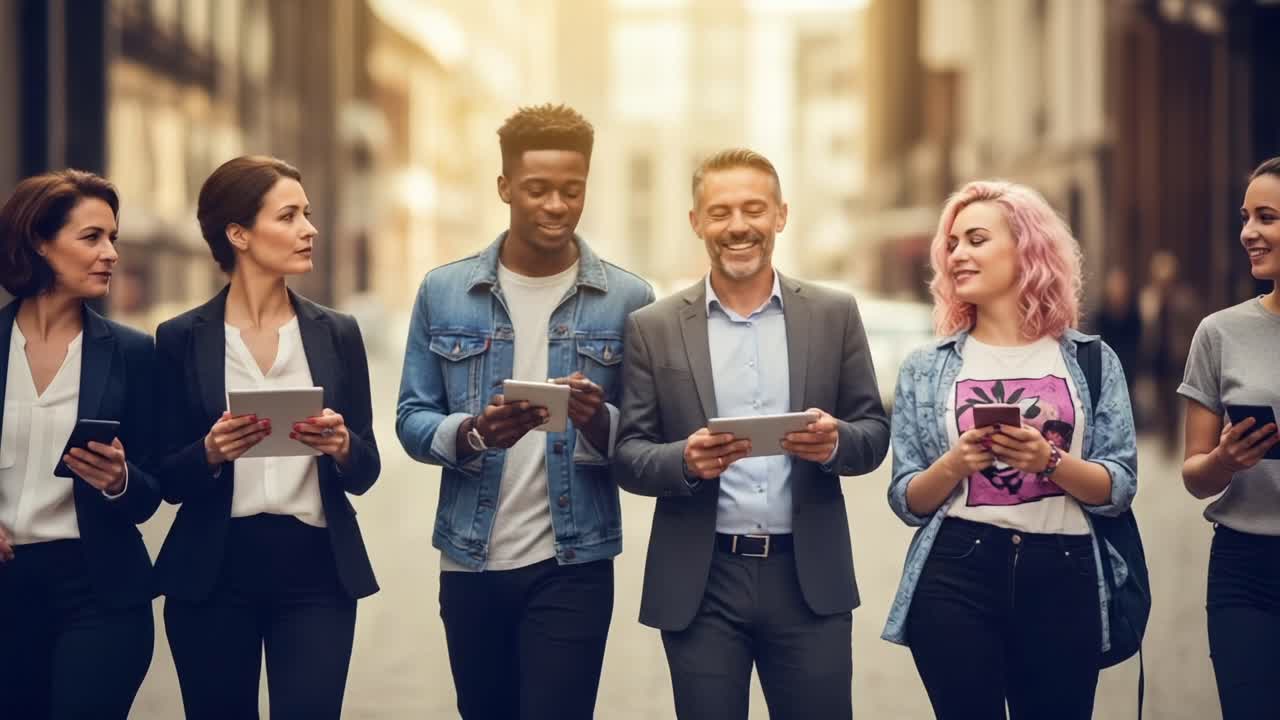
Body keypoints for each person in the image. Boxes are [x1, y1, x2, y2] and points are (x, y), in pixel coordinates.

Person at [395, 103, 653, 719]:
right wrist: (474, 432)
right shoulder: (443, 290)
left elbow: (646, 439)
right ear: (505, 186)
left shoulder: (629, 298)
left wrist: (596, 418)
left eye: (572, 190)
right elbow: (411, 417)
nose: (556, 206)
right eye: (538, 189)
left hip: (575, 563)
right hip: (470, 558)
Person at [613, 148, 890, 720]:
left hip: (808, 579)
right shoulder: (653, 326)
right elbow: (629, 455)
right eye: (720, 212)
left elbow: (874, 434)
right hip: (702, 584)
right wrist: (684, 461)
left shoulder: (834, 314)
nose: (737, 226)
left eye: (753, 209)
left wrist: (836, 442)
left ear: (781, 215)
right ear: (696, 222)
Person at [882, 180, 1139, 720]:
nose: (958, 254)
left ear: (1026, 250)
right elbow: (907, 499)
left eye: (977, 240)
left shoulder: (1091, 360)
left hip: (1064, 573)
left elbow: (1118, 487)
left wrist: (1049, 461)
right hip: (956, 571)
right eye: (952, 243)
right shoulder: (926, 368)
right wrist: (956, 463)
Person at [152, 156, 380, 719]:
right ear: (239, 234)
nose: (309, 229)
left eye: (307, 214)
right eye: (288, 216)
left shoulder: (338, 333)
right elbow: (164, 477)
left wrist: (343, 446)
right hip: (213, 572)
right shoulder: (180, 337)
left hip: (317, 572)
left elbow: (367, 469)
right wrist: (209, 452)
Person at [0, 170, 160, 719]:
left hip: (98, 592)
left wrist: (121, 480)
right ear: (39, 243)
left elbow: (154, 489)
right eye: (91, 237)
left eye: (112, 237)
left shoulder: (134, 353)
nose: (110, 253)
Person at [1179, 156, 1280, 720]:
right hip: (1246, 570)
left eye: (1267, 217)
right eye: (1246, 217)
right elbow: (1195, 477)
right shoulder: (1219, 333)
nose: (1248, 233)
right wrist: (1224, 459)